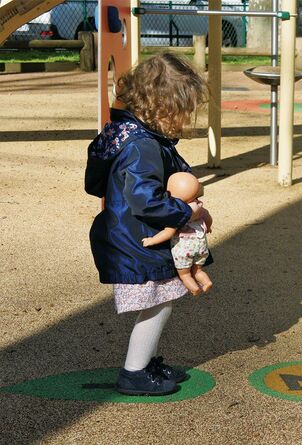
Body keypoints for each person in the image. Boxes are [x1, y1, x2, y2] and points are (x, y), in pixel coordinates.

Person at [85, 52, 210, 396]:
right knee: (158, 302)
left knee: (162, 298)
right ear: (163, 107)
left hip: (130, 234)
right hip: (138, 241)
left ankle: (148, 362)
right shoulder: (142, 145)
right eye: (183, 112)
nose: (186, 120)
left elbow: (94, 182)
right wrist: (187, 213)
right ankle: (134, 372)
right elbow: (145, 199)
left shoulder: (125, 133)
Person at [142, 172, 213, 296]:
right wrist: (208, 227)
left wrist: (152, 240)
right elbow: (208, 219)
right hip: (201, 246)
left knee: (185, 275)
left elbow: (167, 233)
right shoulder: (200, 209)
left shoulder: (178, 215)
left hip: (184, 250)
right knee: (197, 271)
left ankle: (194, 288)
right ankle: (206, 282)